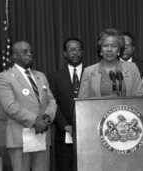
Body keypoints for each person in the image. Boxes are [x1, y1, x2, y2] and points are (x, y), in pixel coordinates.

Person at [0, 41, 56, 171]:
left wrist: (46, 119)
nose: (29, 54)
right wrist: (36, 122)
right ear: (14, 56)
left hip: (41, 135)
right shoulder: (4, 77)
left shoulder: (41, 76)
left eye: (31, 52)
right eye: (25, 52)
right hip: (20, 137)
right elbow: (10, 106)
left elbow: (52, 101)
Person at [48, 38, 84, 171]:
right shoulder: (55, 76)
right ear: (64, 53)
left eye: (79, 49)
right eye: (71, 50)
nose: (75, 53)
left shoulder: (92, 73)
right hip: (64, 134)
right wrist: (65, 125)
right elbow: (52, 104)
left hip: (89, 131)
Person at [78, 28, 143, 98]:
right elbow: (81, 102)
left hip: (126, 108)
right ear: (100, 50)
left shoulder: (132, 68)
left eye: (114, 46)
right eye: (105, 46)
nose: (109, 49)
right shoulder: (89, 72)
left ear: (119, 50)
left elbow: (141, 97)